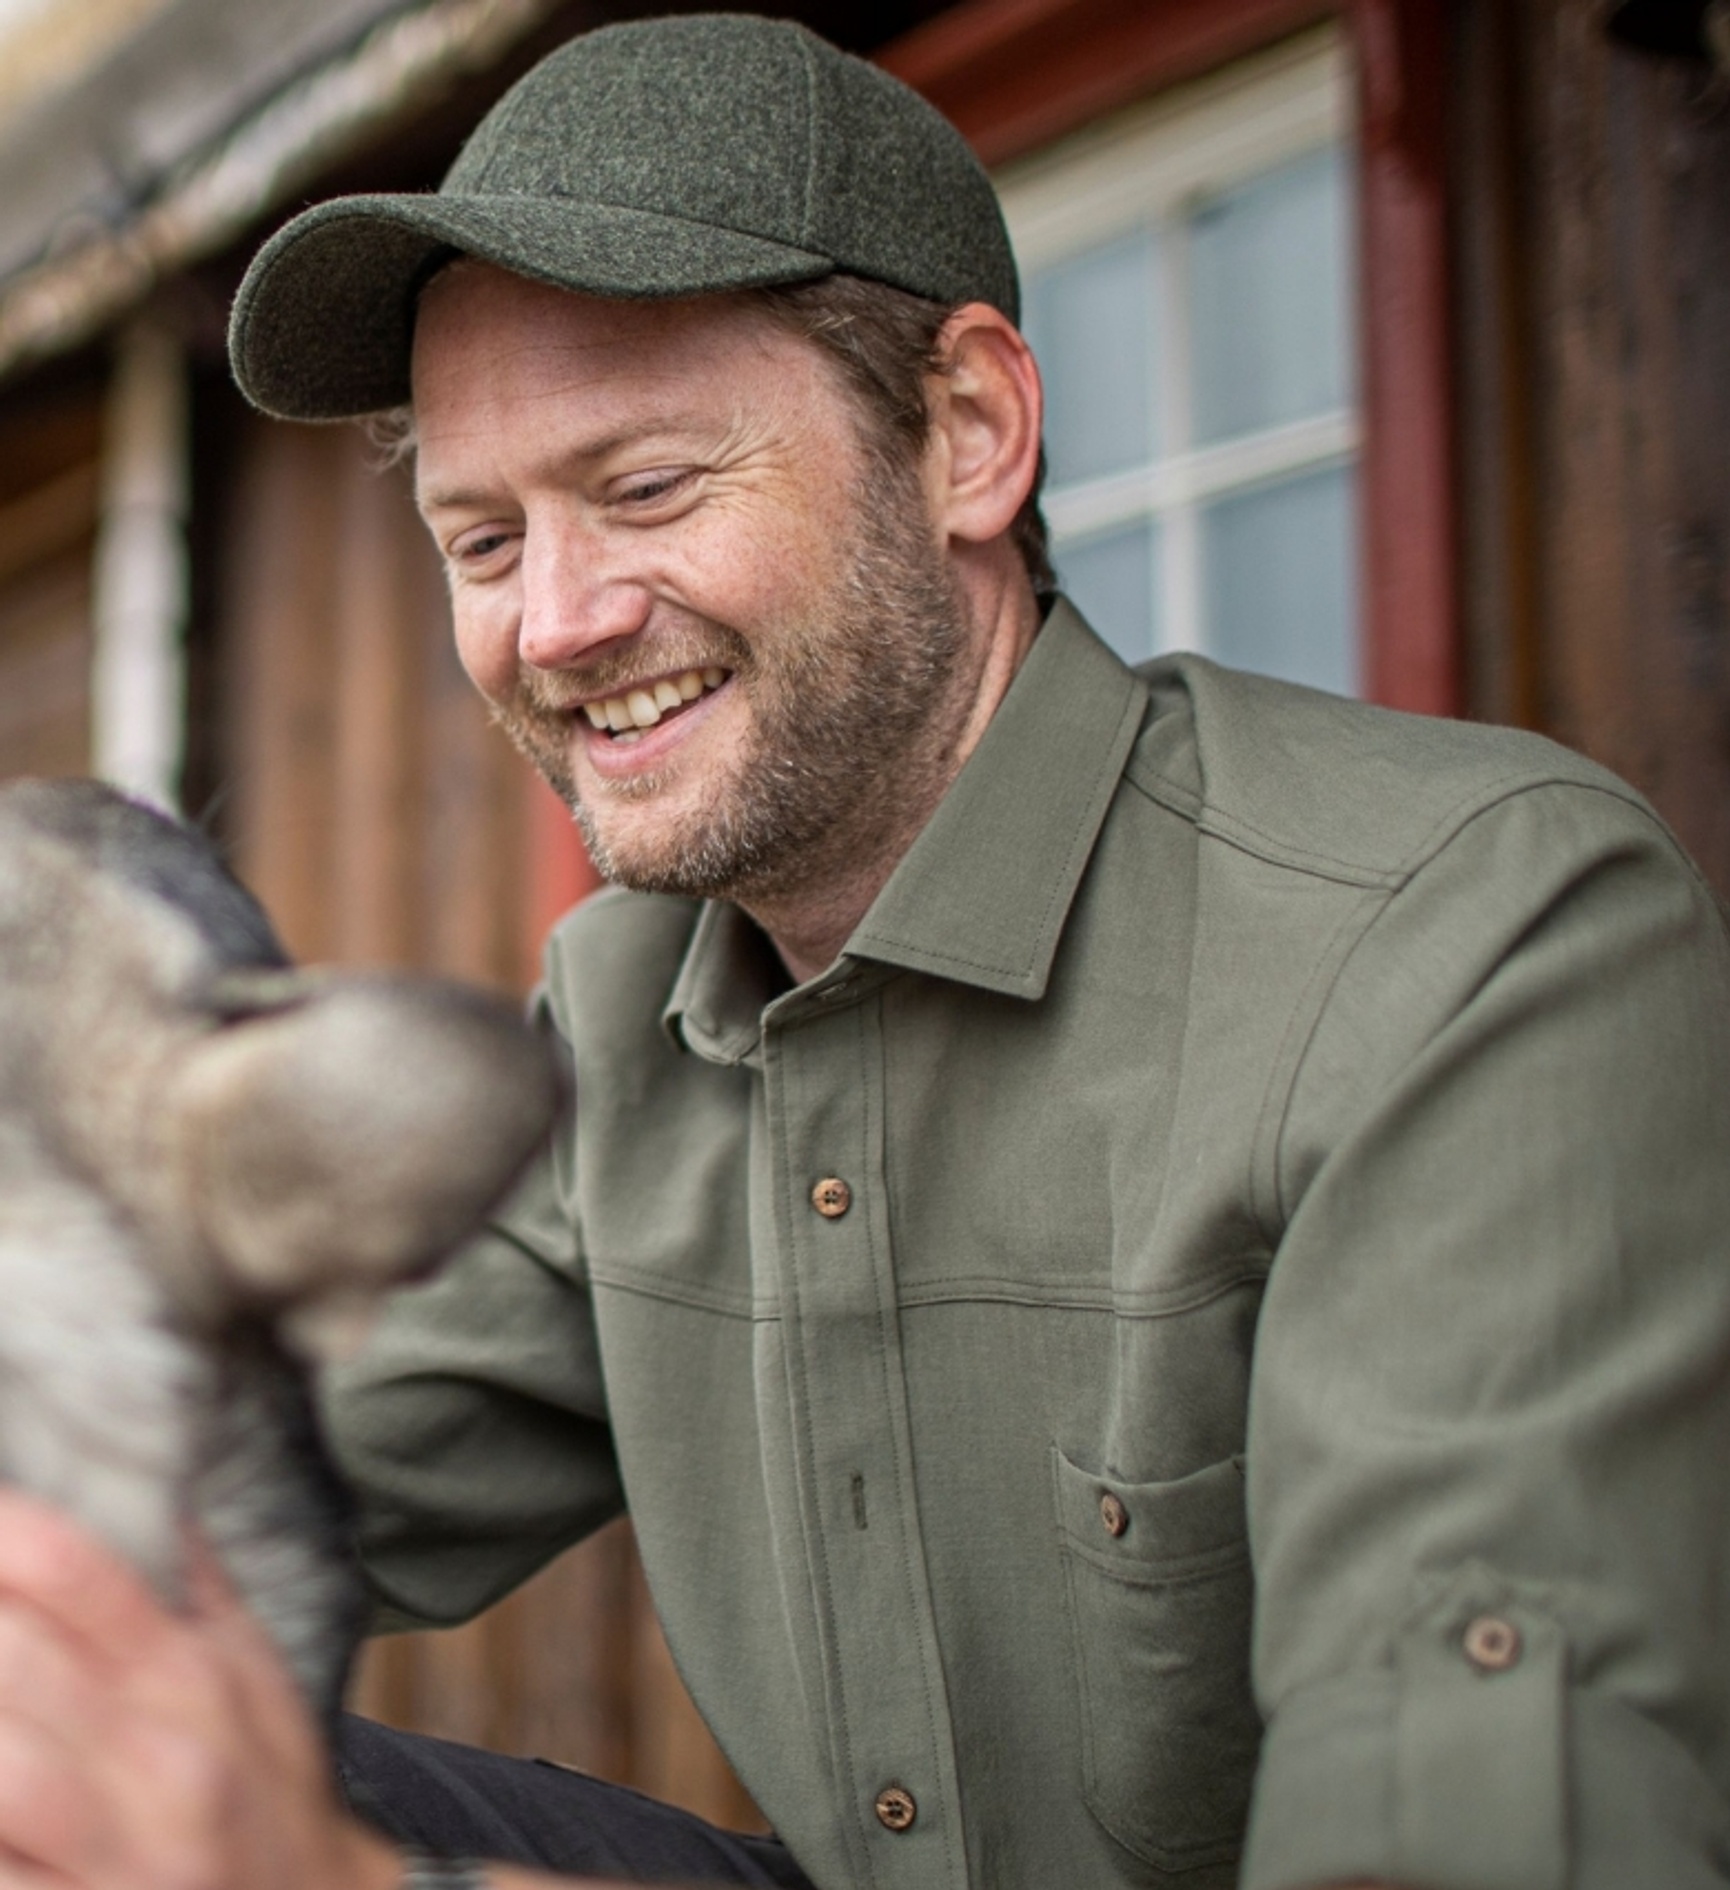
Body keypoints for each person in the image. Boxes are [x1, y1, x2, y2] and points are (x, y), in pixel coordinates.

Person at [0, 12, 1726, 1890]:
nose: (557, 623)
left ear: (968, 433)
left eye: (648, 487)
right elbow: (157, 1480)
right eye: (482, 538)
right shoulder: (621, 1013)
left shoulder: (1471, 930)